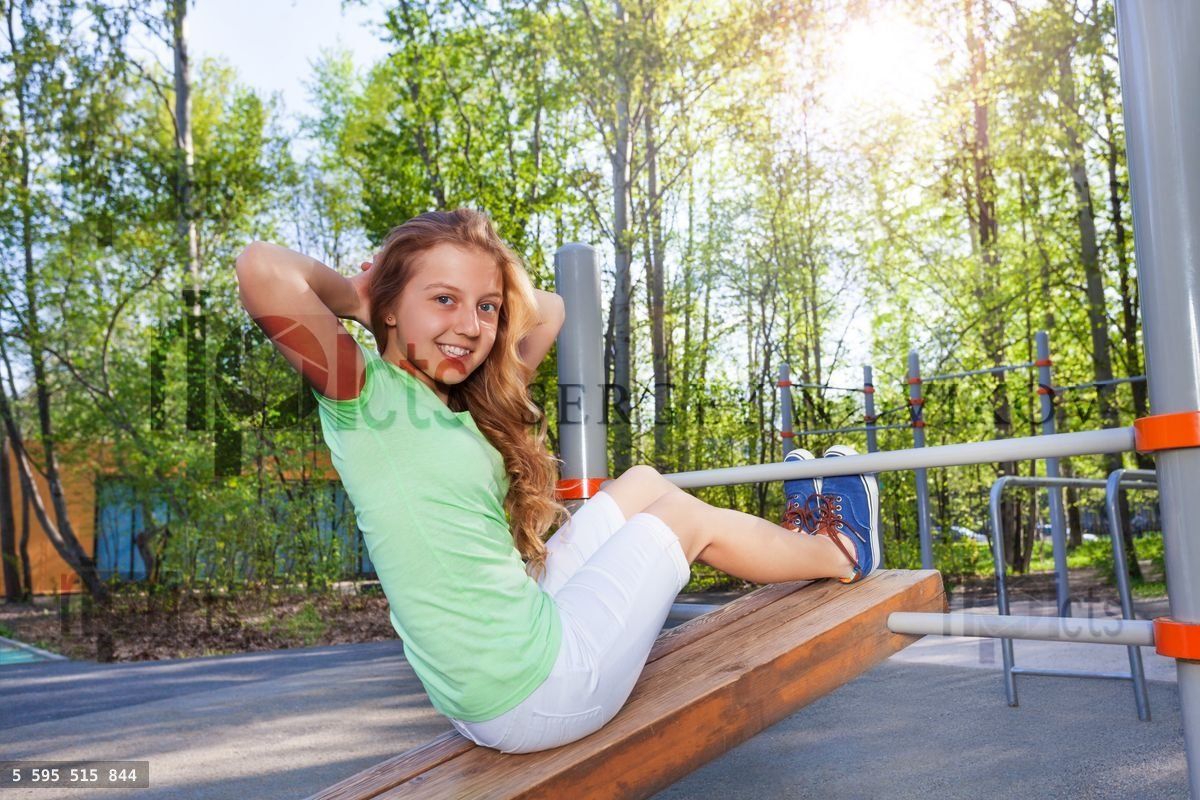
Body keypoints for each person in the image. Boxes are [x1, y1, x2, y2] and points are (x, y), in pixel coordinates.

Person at [234, 207, 881, 755]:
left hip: (497, 672)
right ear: (391, 308)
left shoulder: (461, 401)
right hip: (535, 692)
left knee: (643, 482)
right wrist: (361, 295)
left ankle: (797, 539)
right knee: (682, 518)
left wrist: (478, 266)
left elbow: (549, 309)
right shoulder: (361, 393)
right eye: (442, 300)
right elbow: (262, 268)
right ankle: (840, 551)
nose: (469, 325)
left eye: (485, 307)